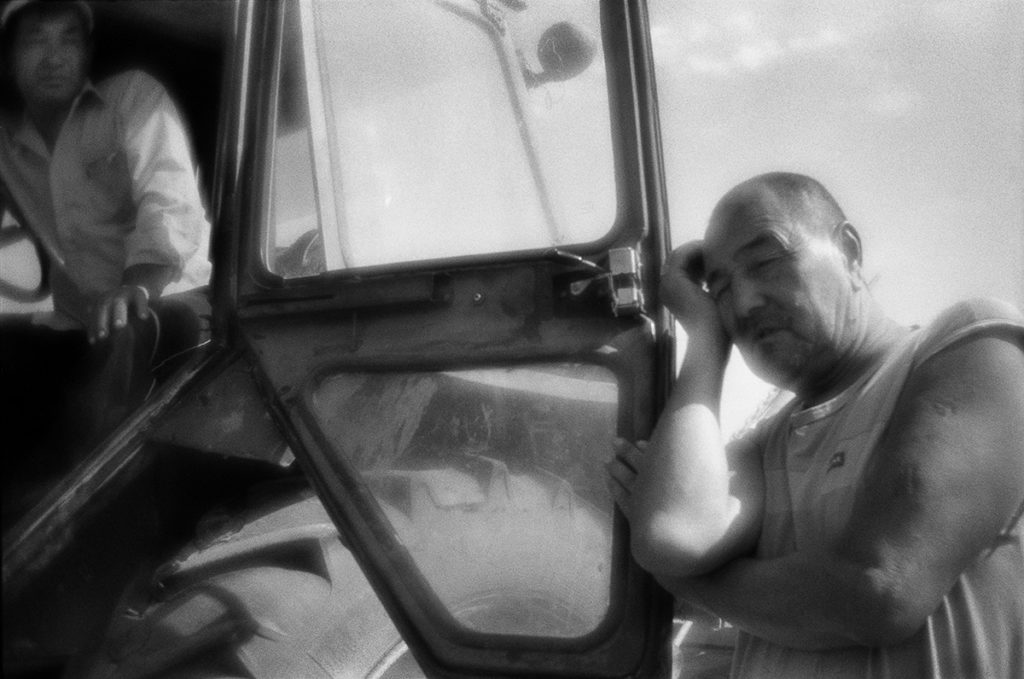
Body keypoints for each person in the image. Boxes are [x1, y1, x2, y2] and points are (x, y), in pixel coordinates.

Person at [609, 172, 1024, 678]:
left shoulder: (972, 344)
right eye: (720, 290)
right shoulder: (771, 439)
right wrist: (704, 339)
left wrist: (692, 585)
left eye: (765, 262)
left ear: (848, 250)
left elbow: (878, 590)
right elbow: (672, 535)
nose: (743, 304)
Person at [0, 0, 212, 518]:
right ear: (9, 58)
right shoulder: (7, 142)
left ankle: (70, 521)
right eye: (35, 40)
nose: (53, 56)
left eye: (68, 39)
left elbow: (169, 203)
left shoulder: (133, 99)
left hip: (174, 305)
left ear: (88, 51)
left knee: (126, 333)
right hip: (82, 324)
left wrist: (136, 285)